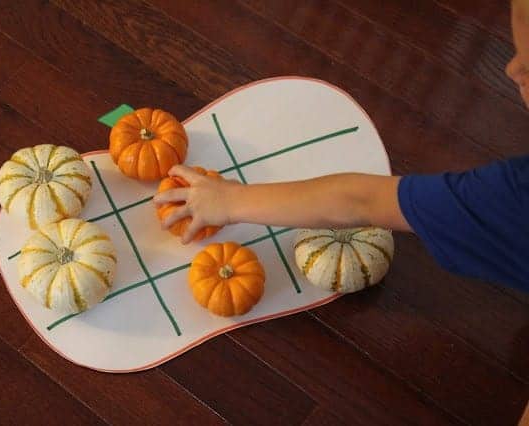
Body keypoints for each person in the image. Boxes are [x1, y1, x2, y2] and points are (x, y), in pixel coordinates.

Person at [153, 1, 529, 291]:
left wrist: (231, 201)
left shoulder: (512, 199)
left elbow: (360, 202)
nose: (511, 70)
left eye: (527, 63)